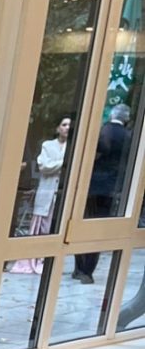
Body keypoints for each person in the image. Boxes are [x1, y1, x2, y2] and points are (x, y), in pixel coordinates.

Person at [74, 103, 133, 284]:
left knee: (81, 225)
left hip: (91, 185)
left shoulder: (102, 131)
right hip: (112, 188)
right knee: (99, 228)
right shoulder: (130, 137)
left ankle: (79, 267)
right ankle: (88, 270)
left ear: (111, 115)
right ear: (127, 119)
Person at [11, 115, 70, 273]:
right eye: (64, 124)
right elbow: (44, 166)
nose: (67, 128)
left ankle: (49, 261)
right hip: (47, 191)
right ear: (58, 128)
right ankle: (34, 259)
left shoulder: (73, 148)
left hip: (62, 194)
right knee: (40, 226)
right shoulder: (48, 145)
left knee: (55, 227)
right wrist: (64, 163)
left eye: (69, 125)